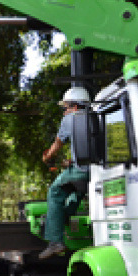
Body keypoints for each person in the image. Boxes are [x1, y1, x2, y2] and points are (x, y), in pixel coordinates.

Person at [39, 87, 91, 260]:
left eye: (66, 108)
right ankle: (63, 218)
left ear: (75, 107)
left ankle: (55, 241)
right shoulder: (98, 116)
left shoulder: (72, 119)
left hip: (81, 171)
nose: (64, 113)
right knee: (77, 190)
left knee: (55, 192)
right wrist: (70, 162)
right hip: (97, 171)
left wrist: (48, 157)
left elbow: (58, 143)